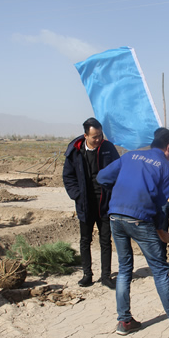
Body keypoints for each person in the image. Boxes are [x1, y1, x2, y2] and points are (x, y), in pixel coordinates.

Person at [97, 127, 169, 335]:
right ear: (168, 147)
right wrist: (160, 228)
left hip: (115, 216)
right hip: (139, 219)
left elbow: (102, 177)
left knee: (124, 268)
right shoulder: (164, 167)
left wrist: (121, 190)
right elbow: (163, 202)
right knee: (160, 270)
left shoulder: (130, 156)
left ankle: (124, 321)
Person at [63, 118, 120, 289]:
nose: (98, 139)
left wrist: (114, 193)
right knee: (85, 240)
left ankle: (106, 276)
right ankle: (87, 275)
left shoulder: (108, 149)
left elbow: (118, 170)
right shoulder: (75, 151)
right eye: (94, 137)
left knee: (105, 240)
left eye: (100, 135)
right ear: (85, 135)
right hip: (85, 203)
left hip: (105, 202)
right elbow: (68, 176)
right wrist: (77, 195)